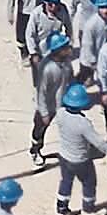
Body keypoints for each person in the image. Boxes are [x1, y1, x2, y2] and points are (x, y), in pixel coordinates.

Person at [54, 82, 104, 215]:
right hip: (80, 160)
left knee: (65, 181)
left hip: (64, 156)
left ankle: (61, 209)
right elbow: (97, 142)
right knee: (89, 183)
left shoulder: (60, 114)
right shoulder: (84, 123)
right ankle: (88, 209)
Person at [31, 29, 73, 166]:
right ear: (57, 50)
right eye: (65, 47)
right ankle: (35, 149)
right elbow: (41, 92)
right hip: (46, 107)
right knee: (40, 129)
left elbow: (69, 79)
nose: (68, 49)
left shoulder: (66, 63)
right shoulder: (47, 68)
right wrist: (43, 113)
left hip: (61, 104)